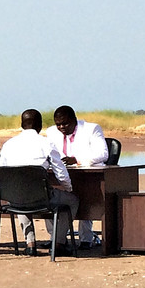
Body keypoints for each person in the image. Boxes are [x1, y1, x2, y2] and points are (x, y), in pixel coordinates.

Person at [0, 108, 78, 253]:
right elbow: (61, 174)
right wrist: (68, 189)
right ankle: (58, 243)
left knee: (19, 194)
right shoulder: (46, 144)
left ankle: (30, 245)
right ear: (40, 126)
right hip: (42, 199)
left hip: (15, 198)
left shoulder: (8, 145)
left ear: (22, 125)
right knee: (72, 201)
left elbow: (2, 173)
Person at [44, 106, 110, 247]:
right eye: (58, 124)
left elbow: (103, 154)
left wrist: (77, 159)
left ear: (74, 120)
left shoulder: (91, 129)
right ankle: (55, 239)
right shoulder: (51, 132)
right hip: (61, 174)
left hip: (87, 174)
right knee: (47, 196)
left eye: (65, 123)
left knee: (85, 198)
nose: (61, 127)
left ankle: (86, 239)